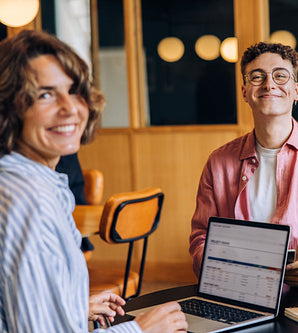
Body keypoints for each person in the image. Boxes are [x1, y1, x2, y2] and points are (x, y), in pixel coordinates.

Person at [0, 30, 187, 332]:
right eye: (45, 94)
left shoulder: (30, 182)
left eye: (74, 90)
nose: (70, 108)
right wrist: (140, 330)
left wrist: (69, 306)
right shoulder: (28, 199)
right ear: (8, 107)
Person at [189, 42, 298, 287]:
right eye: (257, 76)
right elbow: (201, 237)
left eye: (280, 76)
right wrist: (222, 270)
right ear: (244, 91)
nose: (269, 84)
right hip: (238, 293)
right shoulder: (218, 163)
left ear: (296, 91)